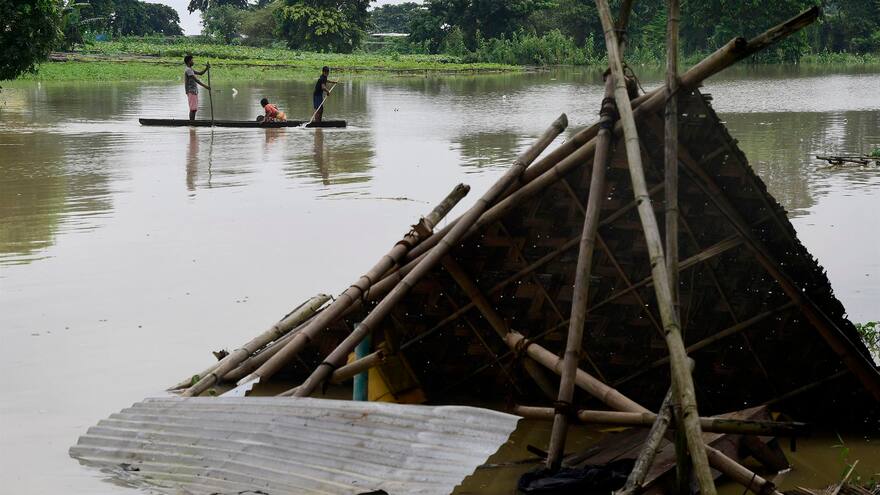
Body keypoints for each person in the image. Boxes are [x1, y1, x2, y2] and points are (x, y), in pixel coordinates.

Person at [184, 55, 210, 121]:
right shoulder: (188, 70)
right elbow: (196, 80)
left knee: (194, 109)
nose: (193, 62)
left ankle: (192, 123)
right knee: (193, 109)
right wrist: (206, 86)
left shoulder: (190, 69)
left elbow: (200, 73)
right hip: (191, 91)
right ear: (189, 61)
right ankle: (192, 123)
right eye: (192, 60)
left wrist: (206, 69)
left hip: (194, 91)